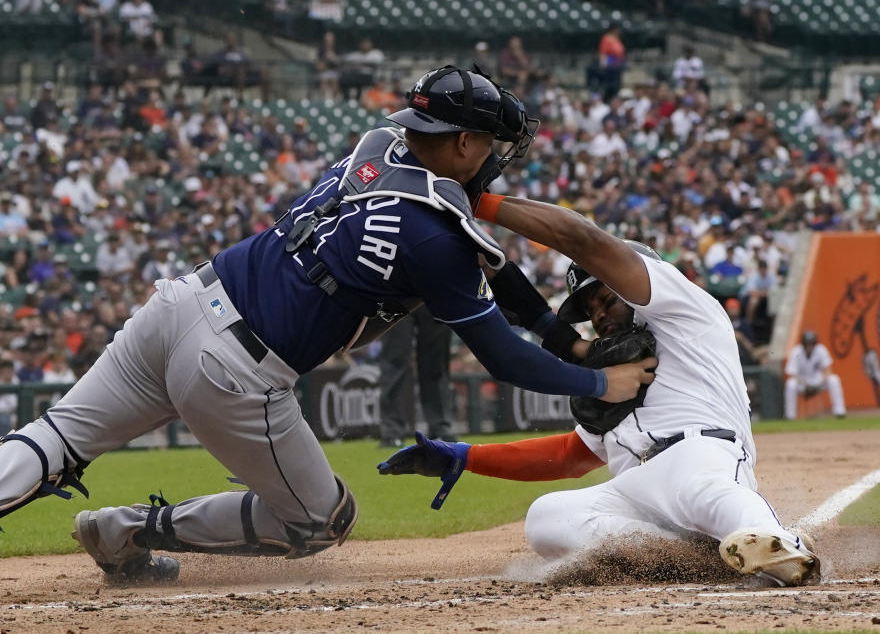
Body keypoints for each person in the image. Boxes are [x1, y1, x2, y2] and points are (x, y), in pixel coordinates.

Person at [0, 66, 654, 583]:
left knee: (54, 437)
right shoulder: (436, 240)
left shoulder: (377, 147)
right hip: (234, 369)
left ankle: (98, 519)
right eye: (488, 144)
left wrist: (565, 337)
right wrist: (600, 383)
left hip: (180, 302)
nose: (496, 157)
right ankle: (124, 530)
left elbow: (495, 267)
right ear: (462, 142)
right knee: (321, 520)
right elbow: (505, 359)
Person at [379, 190, 822, 588]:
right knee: (546, 517)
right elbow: (572, 457)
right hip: (634, 487)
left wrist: (478, 200)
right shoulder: (614, 368)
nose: (599, 315)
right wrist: (464, 457)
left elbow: (585, 241)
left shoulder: (683, 307)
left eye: (605, 298)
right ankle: (688, 555)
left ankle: (781, 547)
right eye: (590, 309)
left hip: (700, 454)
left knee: (705, 491)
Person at [377, 308, 455, 448]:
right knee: (394, 361)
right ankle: (392, 431)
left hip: (434, 295)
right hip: (397, 293)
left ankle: (440, 428)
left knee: (436, 362)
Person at [783, 331, 846, 420]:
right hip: (802, 382)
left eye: (812, 344)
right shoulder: (796, 351)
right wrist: (805, 384)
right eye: (807, 344)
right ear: (803, 344)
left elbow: (828, 370)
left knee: (834, 379)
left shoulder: (821, 350)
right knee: (790, 384)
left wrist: (819, 383)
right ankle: (790, 416)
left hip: (818, 381)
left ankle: (840, 412)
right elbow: (792, 373)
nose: (810, 346)